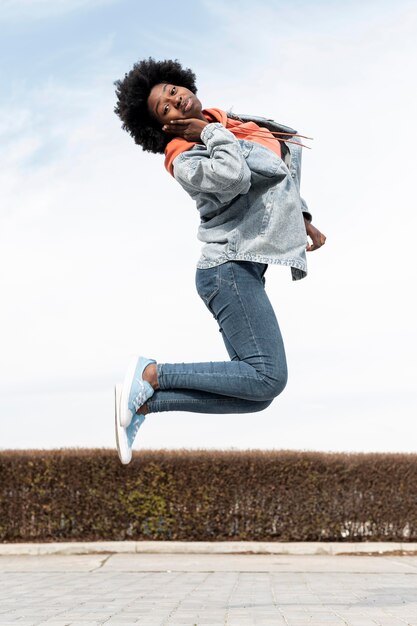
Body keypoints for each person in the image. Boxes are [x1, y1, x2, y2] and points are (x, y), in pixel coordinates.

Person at [113, 57, 326, 464]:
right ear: (164, 127)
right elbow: (234, 178)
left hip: (244, 267)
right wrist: (207, 132)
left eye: (173, 91)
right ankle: (151, 374)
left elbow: (280, 166)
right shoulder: (185, 157)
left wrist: (302, 217)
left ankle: (144, 403)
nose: (176, 100)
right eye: (166, 107)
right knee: (268, 375)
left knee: (257, 394)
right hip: (225, 270)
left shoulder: (227, 120)